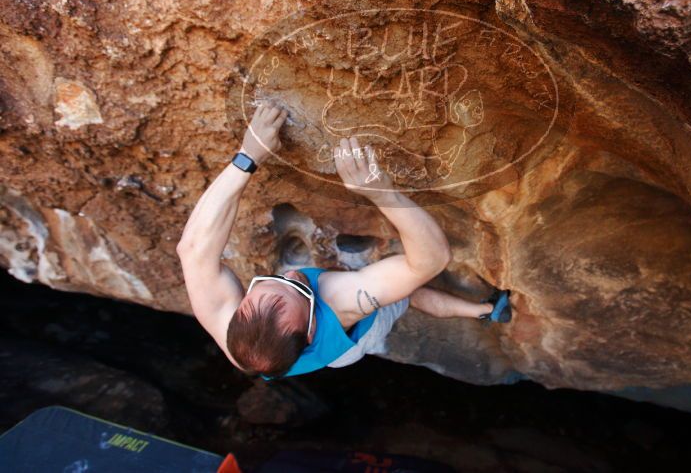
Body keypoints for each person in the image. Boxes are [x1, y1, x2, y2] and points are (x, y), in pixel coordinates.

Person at [176, 100, 512, 381]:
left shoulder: (234, 335)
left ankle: (485, 311)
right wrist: (381, 192)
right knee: (410, 294)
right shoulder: (342, 304)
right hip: (349, 349)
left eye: (272, 281)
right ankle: (484, 310)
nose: (294, 275)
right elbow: (430, 261)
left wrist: (247, 158)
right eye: (300, 289)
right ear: (310, 330)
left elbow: (192, 250)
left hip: (298, 350)